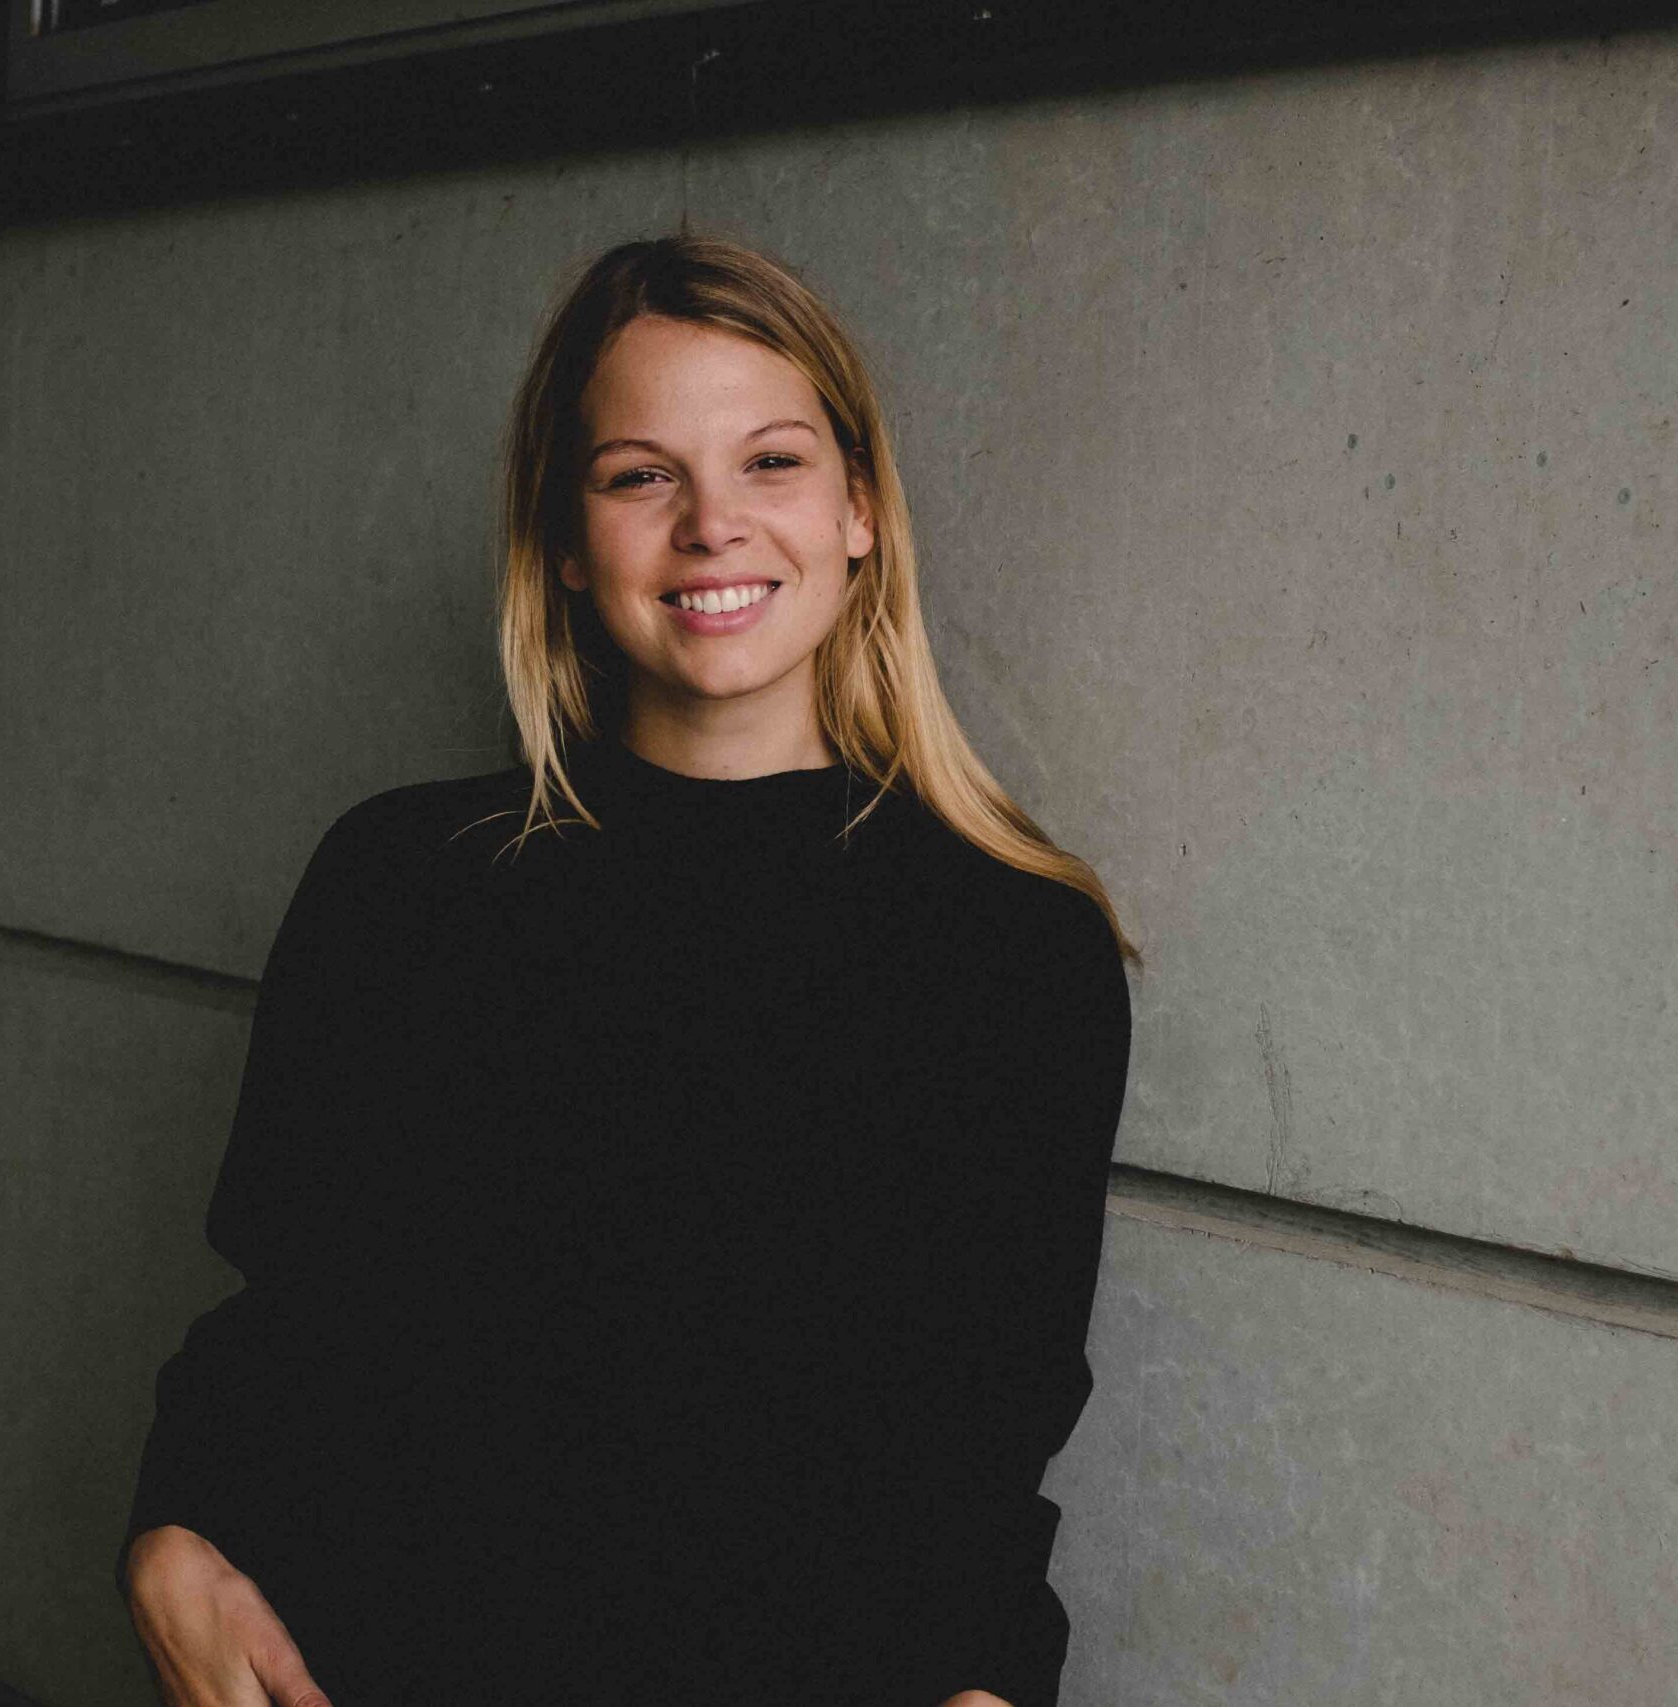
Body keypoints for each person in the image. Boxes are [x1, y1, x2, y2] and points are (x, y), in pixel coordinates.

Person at [115, 231, 1137, 1707]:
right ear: (566, 542)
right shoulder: (403, 884)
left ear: (861, 510)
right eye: (640, 473)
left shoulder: (1012, 945)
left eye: (771, 462)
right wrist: (173, 1533)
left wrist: (982, 1683)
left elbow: (981, 1433)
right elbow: (285, 1316)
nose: (712, 523)